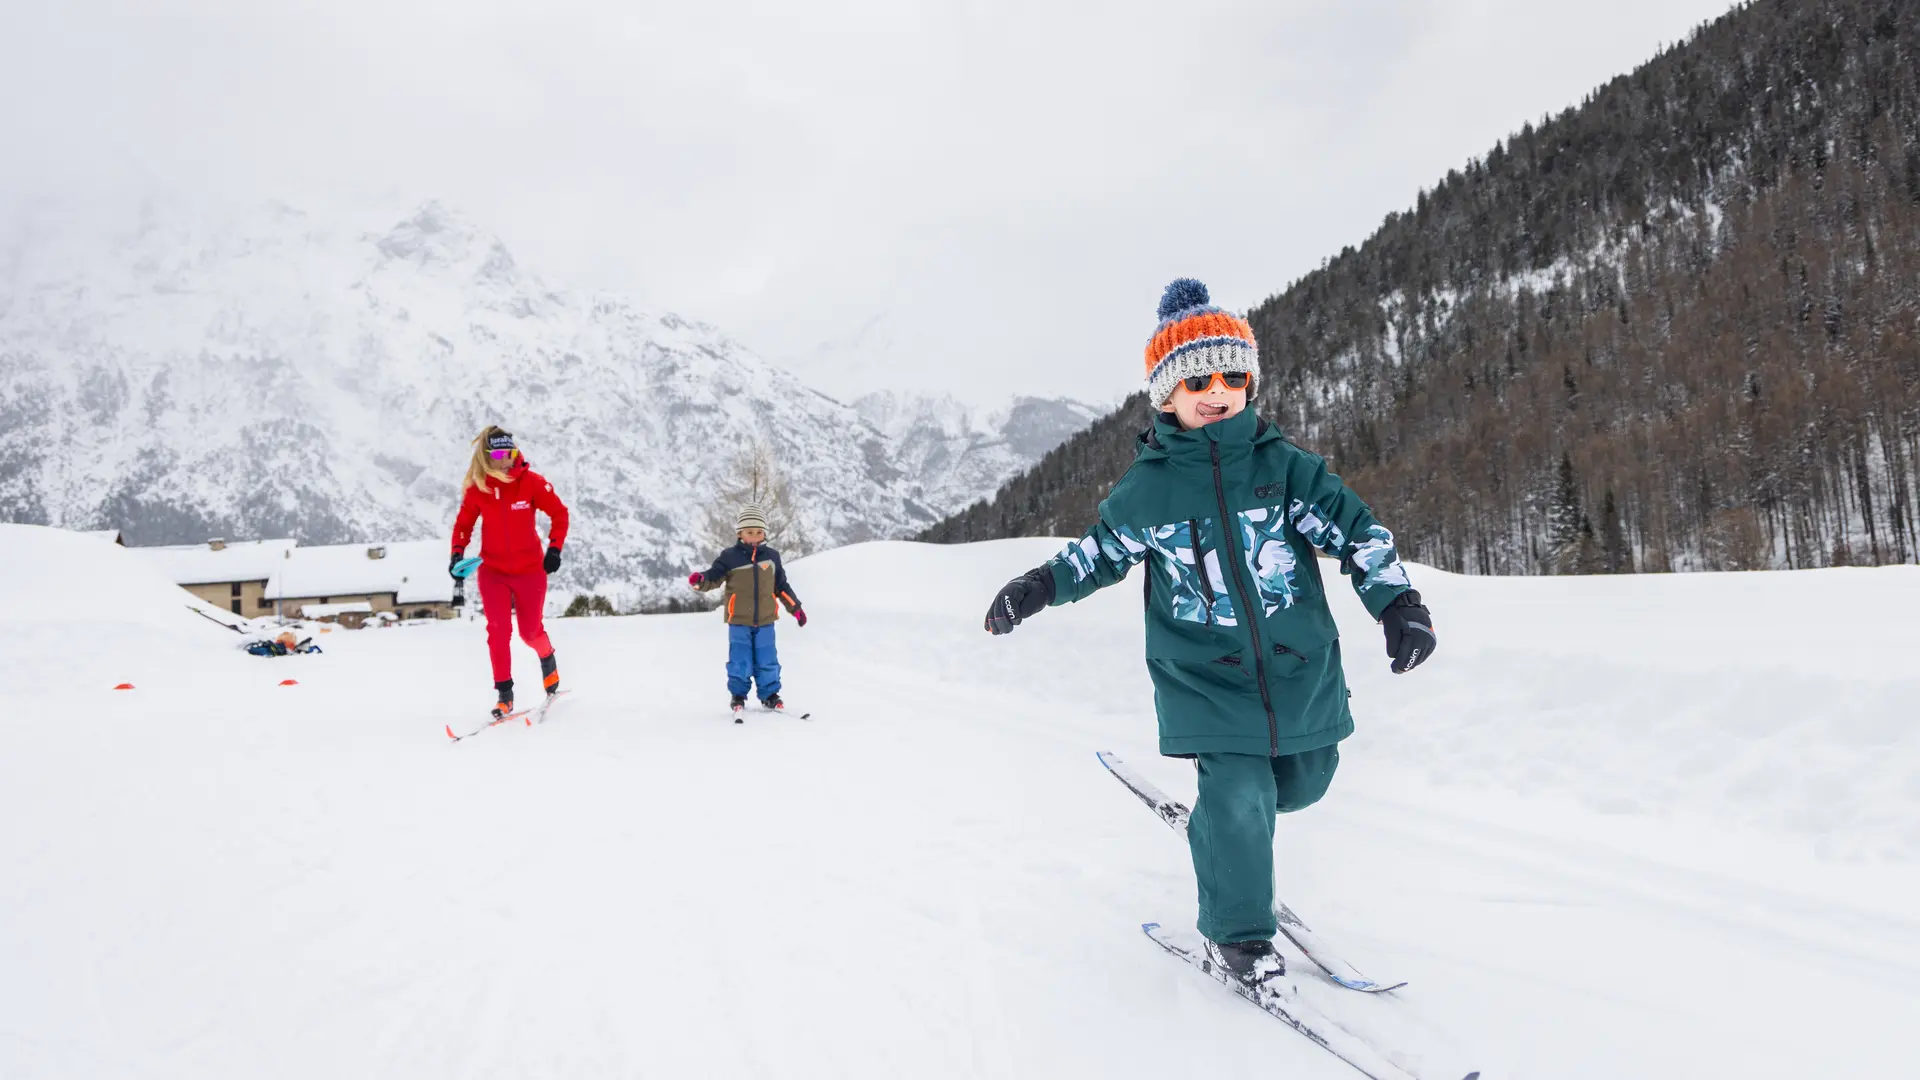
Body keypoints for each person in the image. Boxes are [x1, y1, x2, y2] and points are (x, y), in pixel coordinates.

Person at [982, 279, 1436, 987]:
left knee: (1306, 782)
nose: (1215, 389)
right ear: (1167, 396)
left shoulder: (1286, 470)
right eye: (1197, 379)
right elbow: (1098, 554)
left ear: (1249, 383)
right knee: (1238, 795)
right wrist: (1036, 586)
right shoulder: (1149, 489)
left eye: (1231, 376)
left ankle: (1228, 827)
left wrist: (1397, 603)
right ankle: (1240, 937)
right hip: (1206, 678)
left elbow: (1355, 533)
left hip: (1299, 670)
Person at [450, 426, 571, 720]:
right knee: (498, 631)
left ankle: (547, 657)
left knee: (530, 632)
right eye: (501, 455)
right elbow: (463, 525)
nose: (508, 460)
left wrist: (554, 549)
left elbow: (559, 513)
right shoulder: (478, 489)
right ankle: (505, 695)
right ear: (488, 458)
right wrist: (457, 553)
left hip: (530, 571)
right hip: (493, 572)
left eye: (512, 453)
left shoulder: (531, 483)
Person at [688, 504, 807, 715]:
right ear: (740, 533)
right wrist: (700, 581)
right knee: (740, 660)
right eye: (750, 532)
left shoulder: (772, 557)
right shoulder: (729, 557)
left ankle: (770, 695)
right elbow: (713, 578)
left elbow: (781, 586)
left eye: (759, 532)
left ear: (764, 534)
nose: (754, 536)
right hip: (739, 620)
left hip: (766, 620)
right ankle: (738, 696)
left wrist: (796, 608)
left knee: (767, 659)